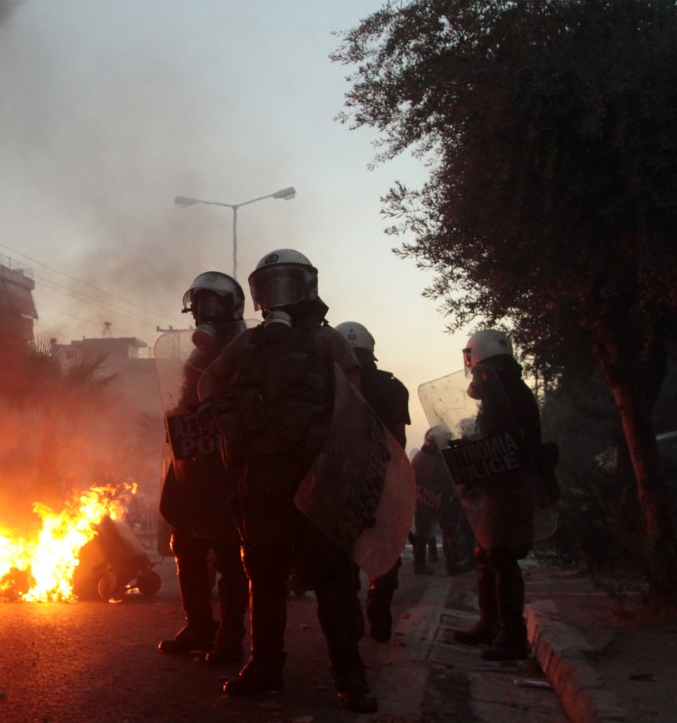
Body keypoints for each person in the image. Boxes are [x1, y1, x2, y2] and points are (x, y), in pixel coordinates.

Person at [198, 249, 378, 714]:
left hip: (317, 478)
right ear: (258, 293)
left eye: (288, 282)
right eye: (271, 284)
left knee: (334, 579)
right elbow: (209, 381)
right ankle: (264, 666)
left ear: (307, 286)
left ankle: (349, 674)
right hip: (262, 479)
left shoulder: (327, 341)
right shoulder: (251, 345)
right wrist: (222, 415)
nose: (279, 294)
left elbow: (353, 402)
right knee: (265, 576)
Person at [156, 272, 250, 665]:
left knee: (232, 556)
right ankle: (199, 626)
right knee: (186, 546)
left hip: (230, 465)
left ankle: (230, 636)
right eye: (199, 304)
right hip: (195, 467)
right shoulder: (195, 356)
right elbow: (182, 401)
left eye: (212, 304)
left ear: (233, 308)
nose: (203, 312)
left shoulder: (248, 349)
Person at [451, 329, 558, 661]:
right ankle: (491, 624)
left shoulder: (501, 393)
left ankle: (511, 636)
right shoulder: (510, 388)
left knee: (502, 556)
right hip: (505, 485)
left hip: (508, 487)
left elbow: (497, 440)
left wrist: (469, 452)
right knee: (487, 553)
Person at [334, 321, 410, 643]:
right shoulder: (393, 387)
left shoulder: (329, 382)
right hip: (385, 481)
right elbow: (399, 440)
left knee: (343, 555)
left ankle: (348, 626)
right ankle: (379, 608)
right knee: (385, 551)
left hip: (343, 482)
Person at [412, 426, 476, 575]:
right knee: (425, 533)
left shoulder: (429, 458)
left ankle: (450, 564)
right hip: (428, 499)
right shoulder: (424, 459)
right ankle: (422, 564)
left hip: (440, 500)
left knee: (448, 532)